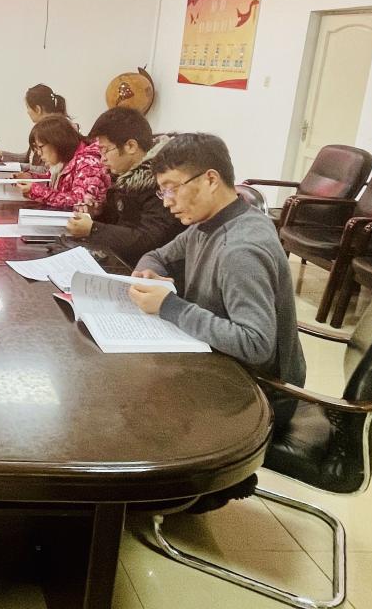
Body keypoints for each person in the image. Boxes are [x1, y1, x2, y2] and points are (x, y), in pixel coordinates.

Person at [128, 133, 306, 436]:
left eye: (173, 188)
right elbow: (157, 256)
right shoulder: (209, 223)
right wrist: (147, 273)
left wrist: (169, 305)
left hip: (261, 392)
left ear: (211, 179)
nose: (167, 201)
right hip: (221, 361)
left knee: (144, 413)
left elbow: (256, 344)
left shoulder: (240, 250)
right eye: (162, 191)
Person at [65, 107, 184, 265]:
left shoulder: (161, 180)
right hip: (125, 260)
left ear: (131, 146)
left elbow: (150, 239)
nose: (102, 159)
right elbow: (122, 223)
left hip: (150, 268)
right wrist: (98, 214)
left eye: (105, 150)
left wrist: (93, 229)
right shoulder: (124, 176)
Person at [16, 115, 110, 210]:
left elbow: (80, 201)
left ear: (57, 142)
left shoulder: (88, 163)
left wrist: (36, 190)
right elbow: (51, 181)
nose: (39, 153)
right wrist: (31, 177)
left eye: (40, 147)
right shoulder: (64, 161)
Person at [0, 84, 72, 168]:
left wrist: (21, 167)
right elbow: (29, 158)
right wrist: (4, 155)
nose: (27, 112)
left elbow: (47, 170)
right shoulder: (42, 129)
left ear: (38, 109)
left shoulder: (54, 132)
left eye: (28, 107)